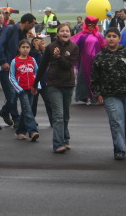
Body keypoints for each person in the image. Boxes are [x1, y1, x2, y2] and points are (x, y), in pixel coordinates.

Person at [91, 27, 126, 160]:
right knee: (117, 121)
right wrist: (98, 93)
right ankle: (120, 150)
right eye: (109, 36)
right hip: (110, 95)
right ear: (106, 38)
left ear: (119, 39)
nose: (111, 39)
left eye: (114, 36)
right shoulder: (100, 57)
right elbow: (94, 78)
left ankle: (122, 141)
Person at [32, 24, 79, 153]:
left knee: (65, 116)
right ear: (57, 33)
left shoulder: (74, 47)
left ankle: (65, 139)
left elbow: (68, 65)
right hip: (53, 84)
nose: (65, 33)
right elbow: (42, 65)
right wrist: (35, 83)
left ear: (70, 34)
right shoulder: (50, 47)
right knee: (58, 116)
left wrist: (58, 57)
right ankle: (58, 144)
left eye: (67, 31)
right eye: (62, 31)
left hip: (68, 84)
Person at [0, 13, 37, 126]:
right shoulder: (10, 29)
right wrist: (3, 61)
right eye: (32, 24)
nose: (32, 27)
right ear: (27, 23)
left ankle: (5, 111)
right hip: (6, 66)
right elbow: (0, 45)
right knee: (12, 94)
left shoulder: (23, 34)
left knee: (17, 93)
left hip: (17, 67)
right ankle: (16, 118)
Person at [72, 16, 107, 104]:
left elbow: (104, 46)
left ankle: (97, 96)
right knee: (83, 78)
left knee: (96, 78)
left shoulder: (98, 35)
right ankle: (84, 96)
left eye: (93, 24)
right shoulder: (81, 35)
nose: (91, 26)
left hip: (96, 61)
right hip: (84, 61)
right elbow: (74, 45)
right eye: (89, 24)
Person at [10, 39, 39, 141]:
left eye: (27, 47)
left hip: (32, 89)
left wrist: (37, 86)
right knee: (27, 109)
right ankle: (32, 131)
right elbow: (11, 77)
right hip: (21, 90)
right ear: (19, 48)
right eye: (23, 47)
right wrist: (18, 88)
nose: (25, 49)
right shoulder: (15, 61)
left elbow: (37, 73)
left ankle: (20, 131)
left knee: (26, 110)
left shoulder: (32, 60)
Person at [29, 35, 52, 126]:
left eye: (43, 43)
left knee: (49, 102)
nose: (43, 45)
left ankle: (53, 121)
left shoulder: (44, 53)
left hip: (44, 82)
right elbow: (37, 63)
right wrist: (36, 49)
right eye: (41, 43)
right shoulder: (33, 54)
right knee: (33, 103)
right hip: (35, 82)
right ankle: (31, 121)